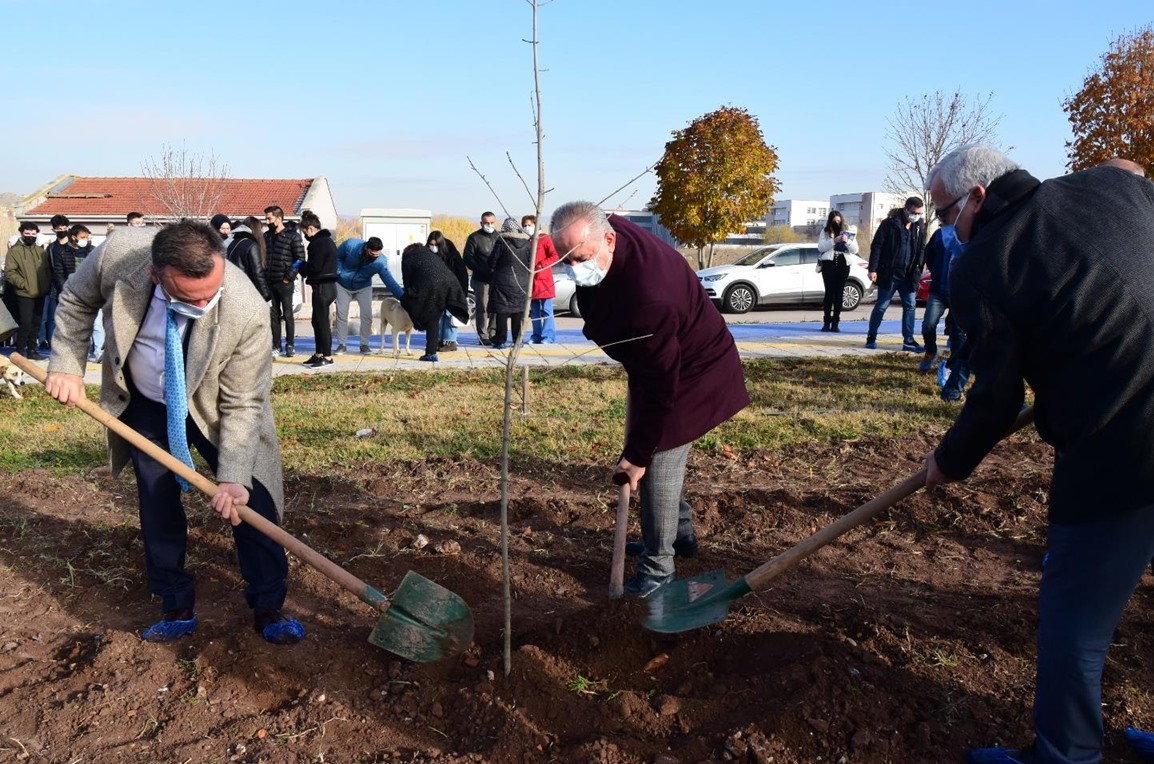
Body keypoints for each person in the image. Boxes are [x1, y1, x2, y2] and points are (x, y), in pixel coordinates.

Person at [923, 145, 1154, 764]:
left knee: (1075, 621)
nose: (946, 229)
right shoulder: (1105, 188)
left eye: (945, 214)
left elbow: (996, 401)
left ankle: (1066, 755)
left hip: (1124, 444)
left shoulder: (983, 266)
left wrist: (948, 461)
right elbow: (1131, 171)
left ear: (977, 197)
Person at [44, 221, 303, 645]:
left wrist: (234, 475)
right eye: (189, 297)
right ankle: (175, 602)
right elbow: (75, 299)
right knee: (156, 498)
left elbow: (243, 401)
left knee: (251, 498)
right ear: (155, 275)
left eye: (210, 294)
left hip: (216, 406)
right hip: (146, 402)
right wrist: (66, 365)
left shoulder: (247, 308)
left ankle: (268, 604)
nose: (203, 303)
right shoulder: (117, 256)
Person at [550, 201, 750, 596]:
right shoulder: (609, 231)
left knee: (657, 459)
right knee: (654, 458)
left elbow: (660, 387)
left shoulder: (651, 297)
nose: (574, 269)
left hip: (693, 372)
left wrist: (637, 456)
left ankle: (658, 569)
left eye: (582, 259)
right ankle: (680, 534)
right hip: (660, 359)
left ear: (609, 239)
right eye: (565, 260)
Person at [865, 197, 926, 351]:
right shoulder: (890, 224)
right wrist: (873, 269)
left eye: (919, 213)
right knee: (881, 306)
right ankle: (871, 337)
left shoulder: (919, 226)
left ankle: (908, 340)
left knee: (910, 306)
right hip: (890, 273)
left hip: (909, 274)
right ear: (906, 209)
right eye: (914, 213)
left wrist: (919, 267)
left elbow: (921, 248)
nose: (916, 216)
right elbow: (877, 246)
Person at [399, 243, 469, 362]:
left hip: (430, 286)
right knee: (434, 318)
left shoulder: (408, 259)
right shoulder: (431, 254)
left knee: (406, 301)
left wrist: (408, 297)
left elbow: (407, 282)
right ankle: (431, 353)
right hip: (449, 284)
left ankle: (420, 325)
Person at [334, 236, 403, 354]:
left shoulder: (381, 261)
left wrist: (403, 297)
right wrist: (339, 272)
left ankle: (364, 344)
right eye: (372, 254)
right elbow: (337, 256)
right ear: (366, 248)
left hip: (363, 286)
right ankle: (341, 344)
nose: (375, 257)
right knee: (342, 314)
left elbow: (389, 280)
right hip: (342, 284)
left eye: (378, 254)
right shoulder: (351, 245)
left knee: (367, 315)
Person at [295, 210, 338, 368]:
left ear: (311, 229)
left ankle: (327, 356)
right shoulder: (328, 241)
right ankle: (319, 353)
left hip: (322, 287)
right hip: (328, 287)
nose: (305, 235)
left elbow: (315, 267)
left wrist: (301, 266)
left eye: (304, 231)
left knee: (322, 323)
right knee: (316, 321)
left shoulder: (317, 243)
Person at [3, 222, 50, 361]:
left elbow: (47, 270)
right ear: (22, 234)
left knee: (37, 322)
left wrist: (46, 285)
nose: (31, 236)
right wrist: (24, 285)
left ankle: (32, 350)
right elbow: (10, 272)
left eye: (33, 234)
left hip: (40, 292)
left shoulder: (41, 251)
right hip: (24, 293)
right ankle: (19, 351)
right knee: (25, 323)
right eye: (27, 233)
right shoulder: (14, 251)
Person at [264, 205, 305, 358]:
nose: (267, 222)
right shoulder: (267, 236)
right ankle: (276, 345)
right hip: (270, 281)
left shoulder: (293, 236)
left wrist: (289, 276)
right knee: (273, 315)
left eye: (269, 219)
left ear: (278, 218)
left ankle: (290, 344)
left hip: (285, 282)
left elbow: (300, 259)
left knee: (288, 314)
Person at [485, 218, 533, 350]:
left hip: (502, 282)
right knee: (518, 312)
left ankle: (500, 341)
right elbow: (530, 263)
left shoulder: (502, 242)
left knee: (502, 312)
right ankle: (517, 340)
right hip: (521, 282)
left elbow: (492, 262)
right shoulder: (526, 243)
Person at [815, 210, 858, 332]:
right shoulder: (825, 232)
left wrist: (847, 241)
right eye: (834, 221)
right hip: (829, 262)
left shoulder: (848, 230)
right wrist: (834, 240)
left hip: (843, 262)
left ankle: (836, 322)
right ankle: (826, 322)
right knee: (829, 293)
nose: (837, 223)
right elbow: (820, 247)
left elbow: (855, 249)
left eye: (838, 221)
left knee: (839, 293)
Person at [426, 230, 467, 352]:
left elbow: (462, 272)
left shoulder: (451, 255)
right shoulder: (427, 255)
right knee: (437, 316)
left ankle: (450, 341)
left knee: (450, 315)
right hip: (435, 291)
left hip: (452, 289)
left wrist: (463, 292)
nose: (433, 247)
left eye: (436, 245)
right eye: (431, 244)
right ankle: (438, 340)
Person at [462, 211, 499, 346]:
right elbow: (467, 258)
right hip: (481, 279)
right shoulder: (474, 238)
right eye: (486, 223)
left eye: (492, 222)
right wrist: (480, 269)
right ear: (481, 223)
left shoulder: (499, 237)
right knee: (482, 308)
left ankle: (493, 332)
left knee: (496, 307)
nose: (489, 225)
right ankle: (483, 335)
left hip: (497, 279)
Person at [523, 214, 560, 344]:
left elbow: (554, 255)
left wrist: (541, 265)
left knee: (546, 310)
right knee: (534, 312)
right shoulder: (528, 241)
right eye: (524, 225)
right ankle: (536, 335)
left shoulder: (545, 239)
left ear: (535, 225)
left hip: (544, 280)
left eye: (529, 225)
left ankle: (548, 336)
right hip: (531, 282)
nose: (526, 228)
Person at [40, 214, 73, 350]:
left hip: (73, 286)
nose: (62, 230)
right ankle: (52, 342)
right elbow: (49, 268)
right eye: (59, 229)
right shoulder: (51, 248)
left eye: (64, 228)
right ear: (53, 230)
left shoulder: (74, 245)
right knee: (53, 318)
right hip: (55, 288)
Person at [226, 217, 272, 302]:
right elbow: (257, 272)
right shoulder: (252, 245)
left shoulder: (233, 243)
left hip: (233, 288)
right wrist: (266, 295)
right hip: (248, 290)